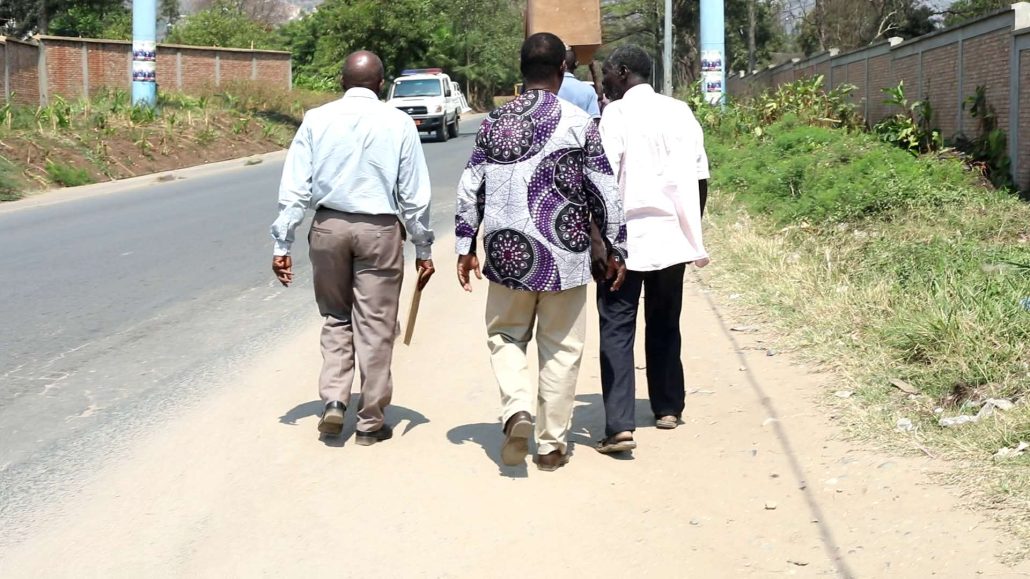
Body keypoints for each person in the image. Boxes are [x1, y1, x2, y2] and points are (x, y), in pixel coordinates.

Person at [455, 32, 627, 472]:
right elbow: (604, 189)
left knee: (505, 336)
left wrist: (464, 244)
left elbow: (471, 185)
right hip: (565, 256)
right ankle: (551, 446)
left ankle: (517, 408)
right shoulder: (579, 122)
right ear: (562, 69)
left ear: (521, 69)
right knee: (562, 349)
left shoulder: (493, 122)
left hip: (507, 254)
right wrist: (615, 247)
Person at [270, 50, 436, 446]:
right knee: (375, 325)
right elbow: (414, 196)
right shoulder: (398, 123)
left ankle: (333, 401)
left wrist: (282, 241)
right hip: (379, 231)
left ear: (342, 82)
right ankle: (370, 422)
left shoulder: (316, 119)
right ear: (382, 85)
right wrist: (424, 249)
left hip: (328, 227)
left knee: (335, 316)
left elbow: (295, 187)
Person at [593, 44, 711, 454]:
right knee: (665, 322)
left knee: (616, 327)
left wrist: (601, 243)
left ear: (623, 72)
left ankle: (620, 424)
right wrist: (687, 229)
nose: (604, 81)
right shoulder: (680, 111)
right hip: (670, 238)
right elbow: (700, 179)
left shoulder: (616, 114)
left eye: (607, 73)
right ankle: (667, 407)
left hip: (624, 242)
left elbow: (603, 181)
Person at [558, 48, 601, 120]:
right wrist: (593, 71)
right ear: (577, 64)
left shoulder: (549, 88)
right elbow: (595, 120)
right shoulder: (588, 90)